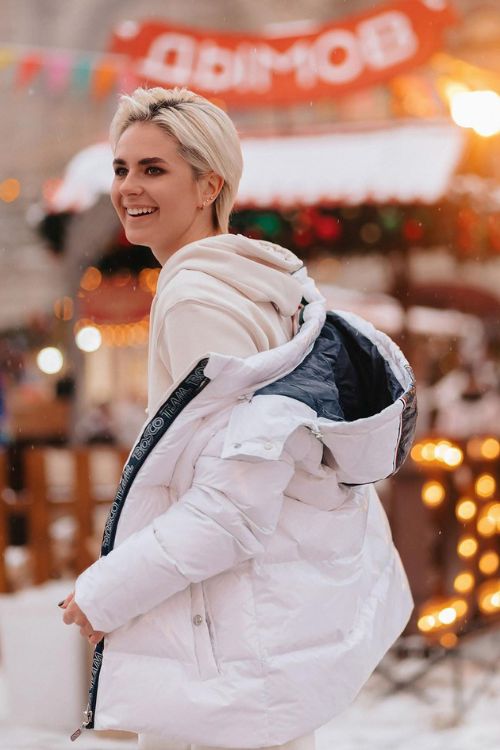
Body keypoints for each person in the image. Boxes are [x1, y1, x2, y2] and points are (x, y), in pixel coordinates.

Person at [60, 86, 416, 750]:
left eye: (153, 169)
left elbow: (233, 499)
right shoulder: (259, 283)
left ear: (209, 185)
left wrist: (109, 591)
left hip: (224, 648)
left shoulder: (198, 296)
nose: (129, 187)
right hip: (255, 636)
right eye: (122, 167)